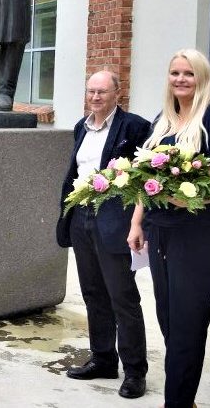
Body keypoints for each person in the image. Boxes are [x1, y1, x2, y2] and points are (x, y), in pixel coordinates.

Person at [126, 49, 210, 408]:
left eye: (188, 73)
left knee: (189, 322)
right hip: (161, 230)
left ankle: (176, 402)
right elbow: (147, 178)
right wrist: (136, 222)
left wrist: (191, 201)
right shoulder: (164, 119)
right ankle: (184, 395)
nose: (180, 79)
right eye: (174, 72)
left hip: (202, 234)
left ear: (202, 77)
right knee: (169, 317)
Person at [57, 70, 149, 399]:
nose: (95, 97)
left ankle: (136, 370)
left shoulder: (134, 127)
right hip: (82, 217)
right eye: (91, 91)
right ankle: (103, 359)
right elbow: (75, 173)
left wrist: (139, 223)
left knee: (122, 297)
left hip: (114, 221)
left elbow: (144, 177)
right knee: (93, 293)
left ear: (117, 94)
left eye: (102, 92)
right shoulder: (82, 126)